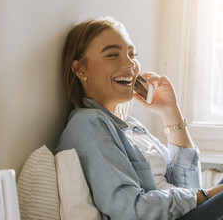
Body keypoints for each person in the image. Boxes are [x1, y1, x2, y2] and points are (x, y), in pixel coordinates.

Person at [54, 17, 223, 220]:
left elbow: (189, 188)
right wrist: (209, 195)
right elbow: (130, 210)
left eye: (132, 54)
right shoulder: (88, 124)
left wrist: (170, 112)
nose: (130, 63)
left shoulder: (131, 125)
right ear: (80, 69)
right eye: (112, 55)